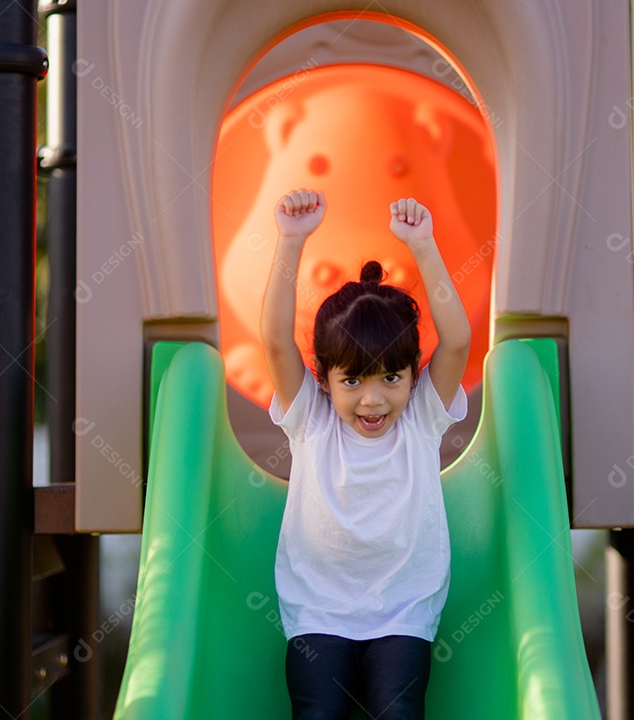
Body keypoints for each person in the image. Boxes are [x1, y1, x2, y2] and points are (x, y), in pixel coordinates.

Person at [261, 189, 471, 720]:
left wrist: (423, 246)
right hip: (317, 610)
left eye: (391, 378)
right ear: (325, 380)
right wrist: (291, 241)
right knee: (318, 713)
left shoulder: (422, 417)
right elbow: (276, 344)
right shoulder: (312, 420)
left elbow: (459, 342)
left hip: (404, 610)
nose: (373, 399)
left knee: (397, 713)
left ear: (412, 373)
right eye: (352, 379)